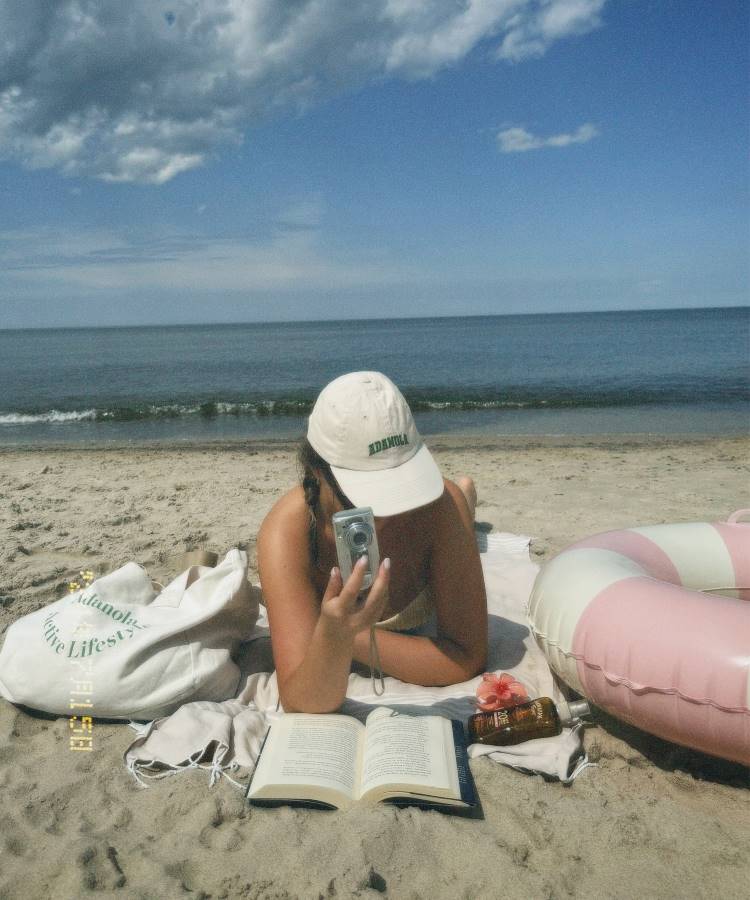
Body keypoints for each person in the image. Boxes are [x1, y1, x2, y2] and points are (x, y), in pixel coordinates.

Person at [257, 371, 488, 713]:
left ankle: (467, 497)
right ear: (318, 474)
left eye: (401, 485)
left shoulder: (440, 506)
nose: (394, 514)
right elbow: (303, 699)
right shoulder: (287, 533)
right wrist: (339, 635)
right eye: (372, 496)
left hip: (450, 506)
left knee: (458, 501)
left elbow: (467, 657)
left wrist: (342, 637)